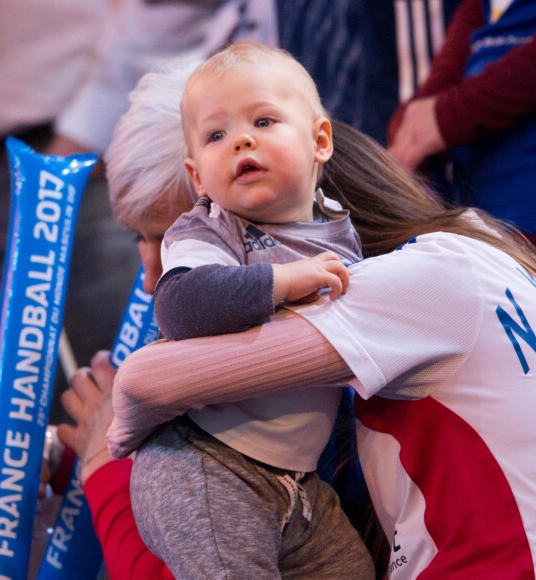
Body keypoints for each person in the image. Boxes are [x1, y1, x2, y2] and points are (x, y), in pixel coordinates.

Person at [108, 114, 536, 577]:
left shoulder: (410, 284)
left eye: (222, 245)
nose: (157, 278)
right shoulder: (475, 244)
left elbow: (143, 382)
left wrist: (106, 458)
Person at [107, 41, 374, 579]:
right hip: (207, 463)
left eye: (264, 121)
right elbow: (175, 316)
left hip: (300, 484)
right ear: (201, 182)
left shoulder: (345, 228)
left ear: (318, 142)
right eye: (217, 137)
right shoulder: (209, 233)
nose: (147, 278)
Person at [388, 0, 536, 244]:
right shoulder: (479, 7)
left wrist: (446, 116)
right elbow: (433, 91)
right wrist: (410, 129)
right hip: (488, 229)